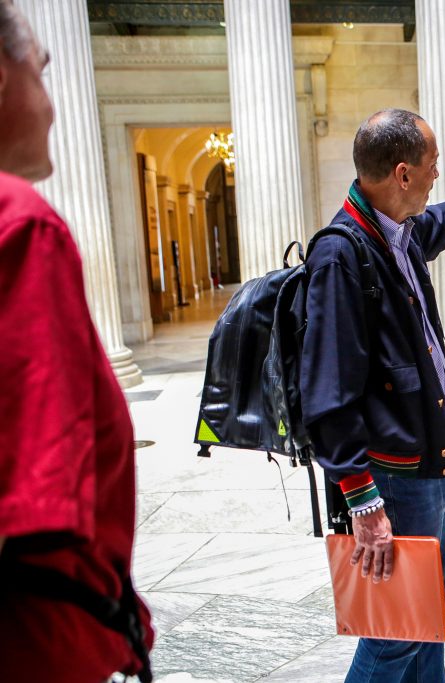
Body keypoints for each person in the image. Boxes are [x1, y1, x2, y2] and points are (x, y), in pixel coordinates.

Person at [300, 108, 445, 682]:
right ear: (402, 174)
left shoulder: (400, 232)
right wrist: (364, 502)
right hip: (392, 479)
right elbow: (326, 393)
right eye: (432, 166)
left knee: (428, 610)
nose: (436, 176)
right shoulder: (341, 254)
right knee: (397, 628)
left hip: (430, 462)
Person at [0, 2, 153, 681]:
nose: (53, 105)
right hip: (34, 641)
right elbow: (39, 512)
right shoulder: (20, 225)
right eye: (41, 67)